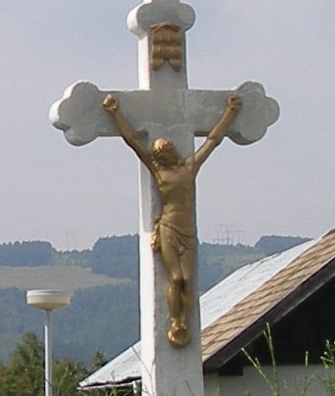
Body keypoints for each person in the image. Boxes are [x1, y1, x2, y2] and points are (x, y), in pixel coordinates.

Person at [102, 91, 242, 347]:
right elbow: (133, 140)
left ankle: (184, 322)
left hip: (187, 231)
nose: (167, 152)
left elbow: (213, 140)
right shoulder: (158, 171)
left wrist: (230, 113)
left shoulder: (189, 168)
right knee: (175, 278)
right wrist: (115, 113)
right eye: (163, 151)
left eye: (167, 149)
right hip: (168, 228)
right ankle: (175, 321)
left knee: (187, 280)